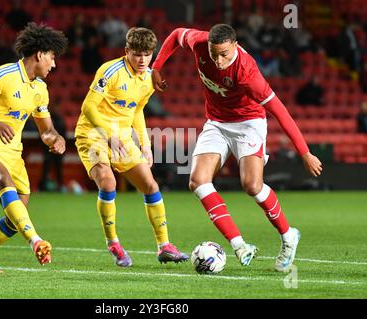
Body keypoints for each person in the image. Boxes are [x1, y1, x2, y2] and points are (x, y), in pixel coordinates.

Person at [152, 24, 323, 272]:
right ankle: (239, 245)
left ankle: (288, 236)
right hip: (217, 122)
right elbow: (177, 34)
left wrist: (305, 152)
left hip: (248, 123)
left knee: (252, 185)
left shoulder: (247, 73)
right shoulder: (200, 43)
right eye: (214, 54)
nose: (219, 61)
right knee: (198, 181)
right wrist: (156, 67)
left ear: (235, 45)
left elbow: (280, 112)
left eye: (224, 54)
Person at [0, 23, 68, 273]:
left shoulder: (40, 89)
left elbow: (46, 130)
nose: (54, 64)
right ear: (39, 54)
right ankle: (36, 240)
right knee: (2, 179)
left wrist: (56, 138)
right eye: (52, 57)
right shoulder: (4, 75)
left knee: (16, 216)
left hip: (13, 153)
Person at [75, 27, 188, 267]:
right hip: (93, 133)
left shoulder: (149, 77)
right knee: (108, 181)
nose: (142, 60)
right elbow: (88, 107)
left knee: (150, 185)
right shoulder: (110, 71)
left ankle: (164, 246)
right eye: (137, 54)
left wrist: (145, 145)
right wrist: (108, 134)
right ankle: (113, 242)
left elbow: (137, 110)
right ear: (126, 51)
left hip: (122, 137)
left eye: (147, 54)